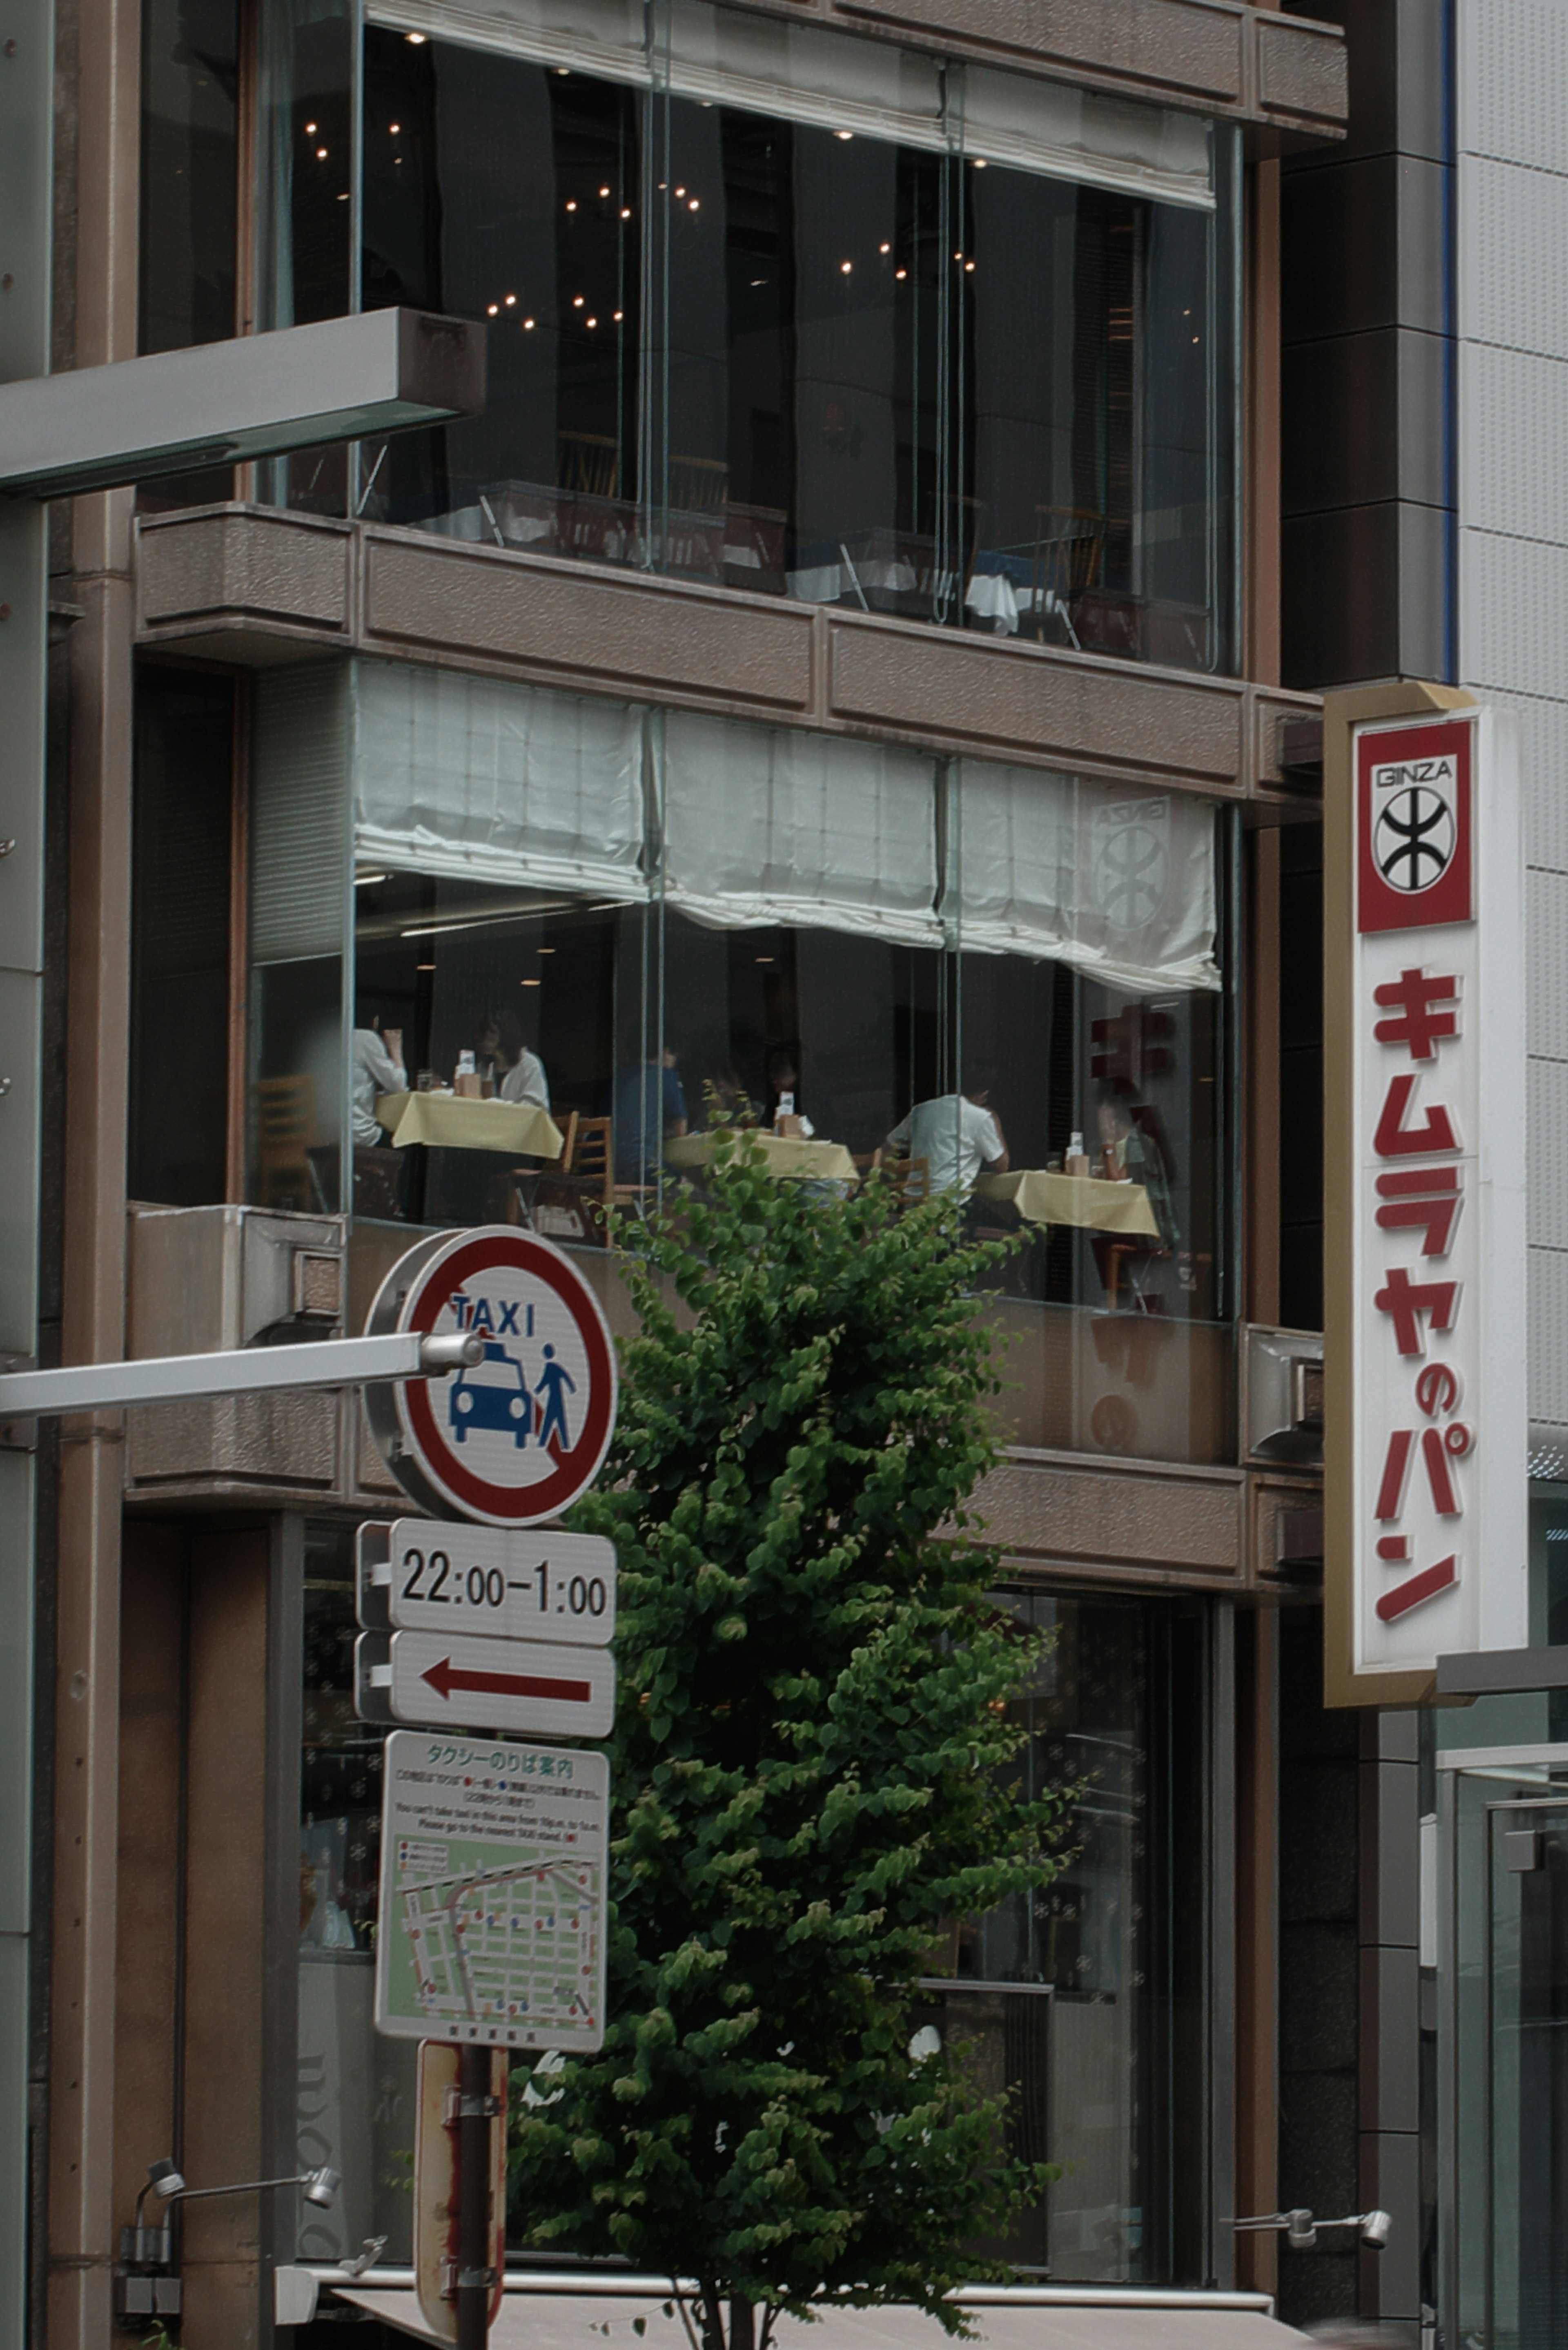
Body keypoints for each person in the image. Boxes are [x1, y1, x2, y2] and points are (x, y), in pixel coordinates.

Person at [884, 1068, 1009, 1197]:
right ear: (984, 1095)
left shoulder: (921, 1110)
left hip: (913, 1203)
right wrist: (995, 1121)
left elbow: (887, 1149)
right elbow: (1002, 1165)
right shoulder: (980, 1116)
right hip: (949, 1205)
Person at [612, 1046, 687, 1183]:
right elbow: (680, 1129)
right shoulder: (665, 1075)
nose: (674, 1061)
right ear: (665, 1051)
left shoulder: (618, 1077)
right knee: (689, 1191)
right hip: (639, 1166)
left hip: (604, 1167)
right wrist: (663, 1132)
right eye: (674, 1055)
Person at [350, 1008, 406, 1145]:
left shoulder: (324, 1038)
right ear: (374, 1021)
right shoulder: (365, 1038)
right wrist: (395, 1048)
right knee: (405, 1138)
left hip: (321, 1134)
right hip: (355, 1134)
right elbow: (397, 1085)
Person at [477, 1006, 550, 1109]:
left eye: (492, 1033)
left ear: (506, 1034)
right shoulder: (484, 1067)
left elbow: (534, 1107)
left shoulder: (530, 1064)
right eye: (483, 1033)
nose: (485, 1038)